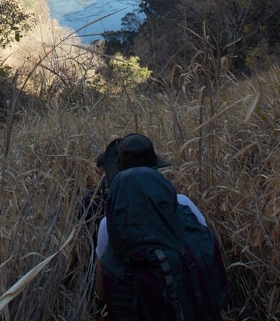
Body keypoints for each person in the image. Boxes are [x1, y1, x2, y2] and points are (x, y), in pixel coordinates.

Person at [94, 134, 229, 320]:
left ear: (119, 171)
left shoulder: (108, 224)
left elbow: (102, 293)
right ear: (155, 168)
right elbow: (208, 259)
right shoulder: (183, 204)